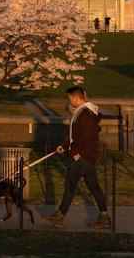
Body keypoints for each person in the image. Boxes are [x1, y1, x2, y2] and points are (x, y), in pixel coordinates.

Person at [43, 86, 110, 229]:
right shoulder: (87, 113)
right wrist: (64, 145)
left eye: (69, 99)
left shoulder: (84, 114)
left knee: (70, 187)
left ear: (75, 98)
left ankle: (59, 217)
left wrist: (75, 154)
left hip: (81, 159)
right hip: (88, 159)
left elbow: (83, 138)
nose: (69, 102)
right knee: (94, 187)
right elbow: (76, 135)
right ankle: (104, 217)